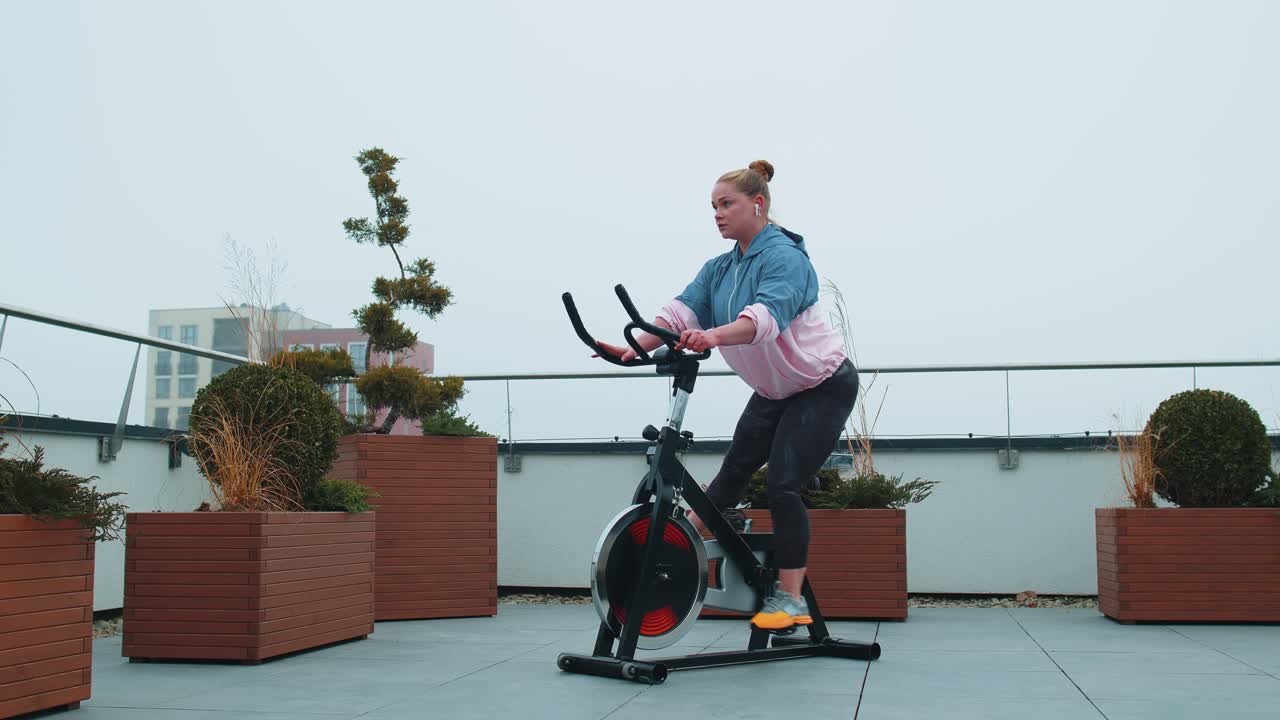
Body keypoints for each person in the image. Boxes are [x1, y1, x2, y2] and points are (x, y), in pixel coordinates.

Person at [594, 159, 858, 631]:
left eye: (726, 204)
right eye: (713, 206)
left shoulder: (786, 259)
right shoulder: (718, 269)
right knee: (730, 475)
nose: (717, 214)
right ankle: (673, 550)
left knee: (782, 484)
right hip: (774, 390)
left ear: (757, 205)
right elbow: (678, 315)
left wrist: (713, 337)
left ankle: (791, 600)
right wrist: (631, 349)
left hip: (822, 384)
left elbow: (764, 319)